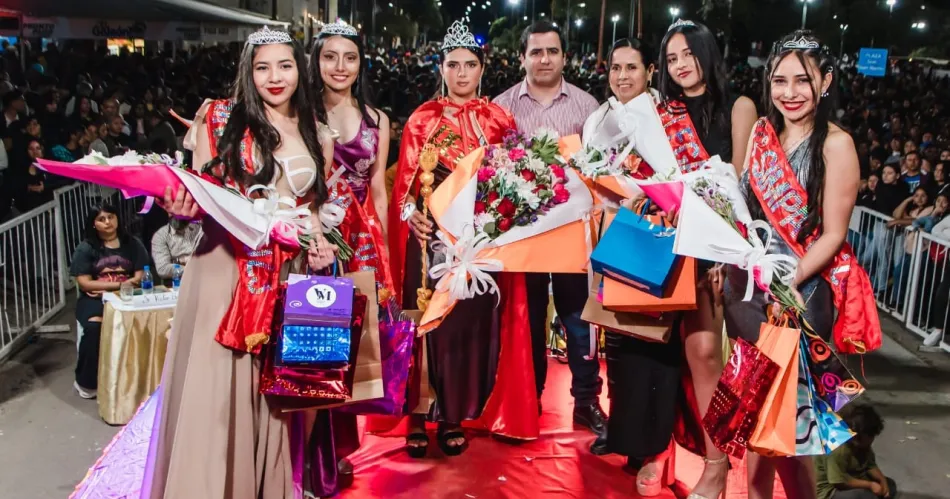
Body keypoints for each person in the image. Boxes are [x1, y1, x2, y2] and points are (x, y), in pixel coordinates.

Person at [144, 27, 339, 498]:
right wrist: (181, 206)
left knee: (273, 393)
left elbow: (312, 209)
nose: (275, 77)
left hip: (287, 274)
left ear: (300, 70)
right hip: (226, 269)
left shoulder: (317, 132)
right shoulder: (219, 119)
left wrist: (322, 244)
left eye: (285, 66)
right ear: (248, 73)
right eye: (262, 67)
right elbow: (200, 193)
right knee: (217, 387)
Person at [725, 30, 878, 499]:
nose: (789, 92)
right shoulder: (762, 133)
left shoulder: (836, 144)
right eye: (779, 81)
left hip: (800, 294)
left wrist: (787, 280)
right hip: (750, 290)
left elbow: (833, 234)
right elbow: (745, 206)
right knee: (759, 423)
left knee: (788, 431)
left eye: (802, 80)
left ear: (825, 81)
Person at [386, 19, 539, 457]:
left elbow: (517, 178)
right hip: (429, 242)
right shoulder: (423, 119)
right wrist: (411, 216)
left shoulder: (499, 120)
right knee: (424, 324)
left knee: (465, 328)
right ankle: (418, 416)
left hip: (479, 241)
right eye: (453, 64)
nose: (461, 73)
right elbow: (403, 188)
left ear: (482, 69)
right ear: (441, 68)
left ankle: (453, 414)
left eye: (469, 64)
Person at [657, 19, 757, 499]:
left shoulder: (740, 107)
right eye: (671, 58)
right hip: (673, 244)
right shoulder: (664, 114)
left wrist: (723, 251)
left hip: (723, 248)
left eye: (688, 54)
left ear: (707, 53)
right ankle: (698, 461)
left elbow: (741, 184)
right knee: (684, 354)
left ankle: (722, 467)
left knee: (713, 355)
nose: (680, 65)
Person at [493, 20, 606, 435]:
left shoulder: (587, 107)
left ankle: (586, 400)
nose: (544, 59)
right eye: (536, 52)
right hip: (522, 235)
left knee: (579, 317)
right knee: (527, 318)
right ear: (522, 57)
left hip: (573, 234)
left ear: (564, 57)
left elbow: (601, 169)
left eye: (552, 51)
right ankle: (527, 399)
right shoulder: (501, 107)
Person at [582, 38, 679, 497]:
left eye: (632, 68)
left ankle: (651, 445)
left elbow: (673, 178)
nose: (622, 76)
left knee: (652, 341)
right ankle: (621, 432)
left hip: (652, 237)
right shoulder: (598, 119)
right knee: (615, 338)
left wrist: (643, 197)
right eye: (616, 68)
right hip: (608, 235)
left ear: (650, 71)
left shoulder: (665, 118)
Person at [311, 22, 390, 237]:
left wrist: (383, 244)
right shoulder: (300, 115)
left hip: (362, 233)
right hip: (311, 230)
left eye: (350, 58)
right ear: (316, 60)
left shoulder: (377, 120)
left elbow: (378, 191)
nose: (340, 67)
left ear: (360, 64)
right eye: (330, 57)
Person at [70, 203, 148, 398]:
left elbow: (140, 275)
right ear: (94, 224)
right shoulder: (86, 248)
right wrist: (120, 285)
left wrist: (114, 286)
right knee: (94, 327)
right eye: (101, 219)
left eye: (111, 217)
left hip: (128, 296)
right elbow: (85, 284)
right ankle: (86, 382)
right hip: (95, 300)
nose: (108, 222)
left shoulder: (133, 244)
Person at [815, 404, 896, 499]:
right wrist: (870, 485)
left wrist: (882, 481)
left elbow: (870, 465)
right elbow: (839, 482)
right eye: (870, 436)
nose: (872, 440)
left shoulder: (863, 444)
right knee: (865, 496)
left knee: (890, 485)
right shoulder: (837, 448)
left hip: (854, 477)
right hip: (832, 490)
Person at [150, 216, 201, 283]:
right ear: (169, 213)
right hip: (177, 282)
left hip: (204, 278)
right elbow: (163, 269)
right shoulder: (160, 236)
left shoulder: (198, 228)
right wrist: (192, 269)